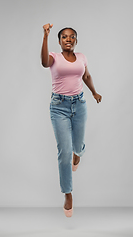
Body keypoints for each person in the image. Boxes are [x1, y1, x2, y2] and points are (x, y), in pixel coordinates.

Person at [41, 23, 102, 217]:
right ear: (59, 41)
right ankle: (68, 193)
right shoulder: (54, 58)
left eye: (72, 36)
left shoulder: (82, 57)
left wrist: (94, 92)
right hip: (59, 107)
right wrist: (45, 36)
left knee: (77, 145)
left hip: (80, 104)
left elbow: (87, 75)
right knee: (64, 152)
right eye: (65, 37)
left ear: (76, 40)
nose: (68, 39)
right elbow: (43, 63)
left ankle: (78, 153)